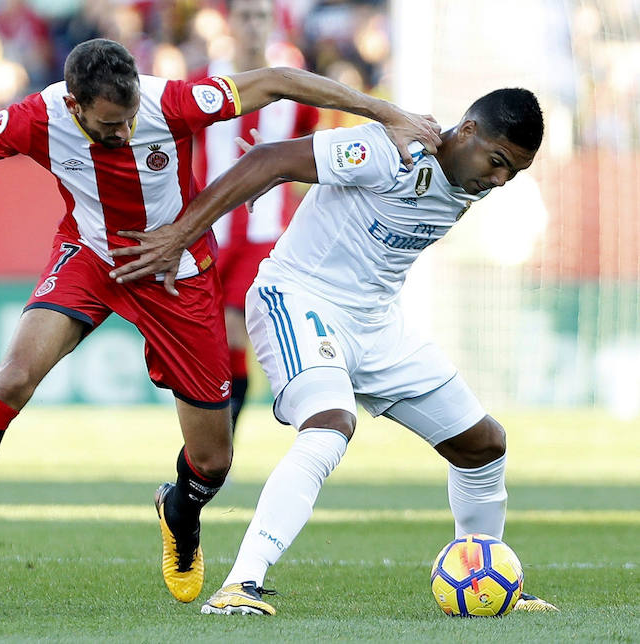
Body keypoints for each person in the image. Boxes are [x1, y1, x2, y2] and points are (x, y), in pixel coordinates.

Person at [0, 38, 441, 604]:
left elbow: (281, 80)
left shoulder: (171, 101)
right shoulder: (32, 118)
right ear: (74, 105)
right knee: (15, 374)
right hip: (89, 257)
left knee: (213, 460)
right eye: (108, 126)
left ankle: (181, 513)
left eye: (129, 119)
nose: (122, 133)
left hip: (174, 269)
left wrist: (387, 113)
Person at [108, 87, 559, 614]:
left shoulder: (474, 183)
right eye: (499, 162)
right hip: (299, 299)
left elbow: (349, 202)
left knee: (484, 445)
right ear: (467, 132)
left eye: (514, 173)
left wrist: (288, 178)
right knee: (329, 424)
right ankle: (241, 584)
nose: (500, 180)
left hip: (378, 323)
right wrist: (181, 235)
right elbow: (268, 157)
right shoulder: (393, 149)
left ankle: (484, 573)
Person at [192, 0, 320, 432]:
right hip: (211, 228)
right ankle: (217, 440)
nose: (252, 25)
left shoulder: (294, 89)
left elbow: (309, 150)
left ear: (272, 24)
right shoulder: (205, 82)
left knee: (233, 331)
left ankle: (223, 437)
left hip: (264, 234)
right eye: (245, 15)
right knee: (214, 343)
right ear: (231, 22)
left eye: (260, 16)